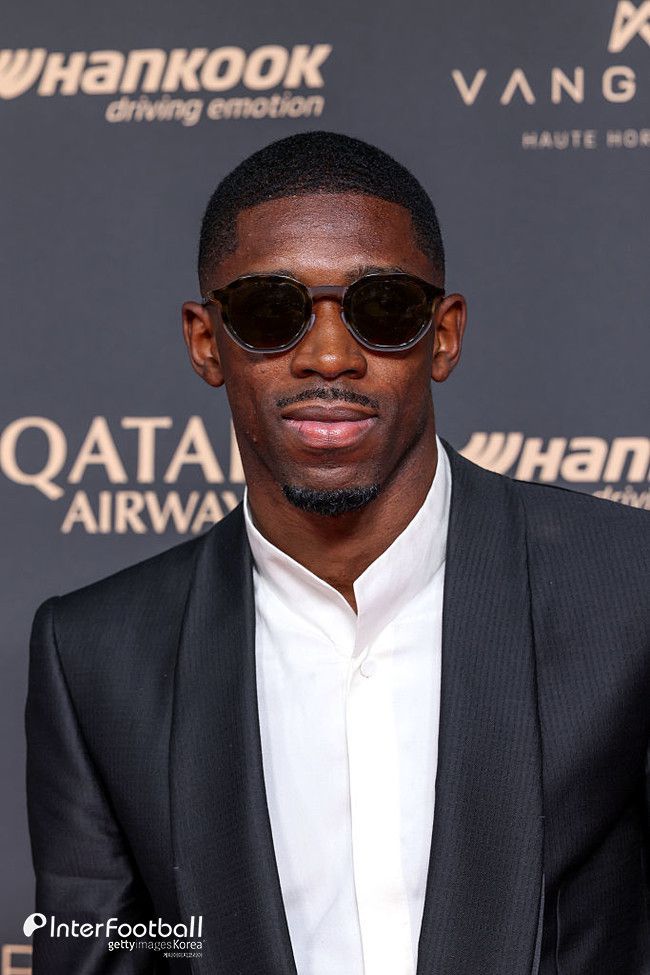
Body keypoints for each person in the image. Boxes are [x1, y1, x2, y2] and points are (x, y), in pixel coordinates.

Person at [26, 131, 649, 975]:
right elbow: (103, 952)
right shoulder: (96, 657)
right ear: (207, 342)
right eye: (270, 311)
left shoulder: (628, 592)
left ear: (444, 335)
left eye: (383, 307)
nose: (329, 356)